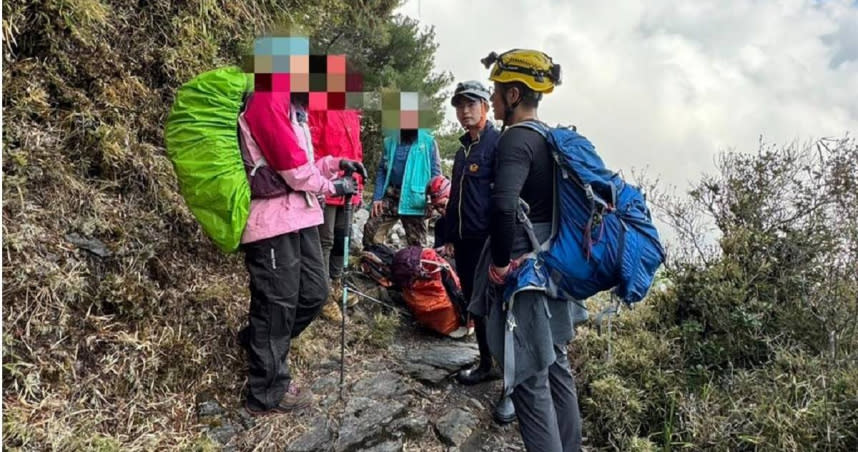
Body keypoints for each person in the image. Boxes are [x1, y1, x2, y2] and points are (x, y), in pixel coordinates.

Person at [237, 70, 367, 415]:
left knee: (313, 292)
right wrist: (332, 187)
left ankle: (259, 343)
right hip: (271, 219)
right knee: (277, 302)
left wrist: (336, 164)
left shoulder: (295, 107)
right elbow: (291, 168)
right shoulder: (268, 99)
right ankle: (266, 393)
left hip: (302, 214)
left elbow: (306, 163)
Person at [471, 49, 582, 451]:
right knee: (556, 368)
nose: (493, 97)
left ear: (514, 94)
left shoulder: (515, 140)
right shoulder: (547, 137)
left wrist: (499, 265)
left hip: (523, 273)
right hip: (552, 263)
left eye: (497, 91)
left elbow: (503, 206)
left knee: (528, 378)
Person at [438, 81, 514, 423]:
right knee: (475, 305)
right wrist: (449, 236)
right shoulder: (463, 149)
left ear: (486, 106)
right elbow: (456, 199)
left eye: (471, 104)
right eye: (459, 105)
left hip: (490, 243)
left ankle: (511, 387)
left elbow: (505, 201)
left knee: (501, 311)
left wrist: (504, 249)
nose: (464, 110)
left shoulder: (498, 145)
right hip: (465, 243)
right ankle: (486, 364)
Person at [310, 108, 364, 323]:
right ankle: (323, 296)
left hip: (350, 187)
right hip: (328, 185)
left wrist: (358, 187)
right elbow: (312, 148)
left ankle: (336, 283)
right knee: (326, 239)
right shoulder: (317, 108)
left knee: (343, 237)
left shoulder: (351, 112)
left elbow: (356, 151)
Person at [363, 127, 442, 248]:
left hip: (416, 200)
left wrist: (433, 202)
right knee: (371, 232)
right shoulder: (390, 141)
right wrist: (377, 198)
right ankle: (377, 263)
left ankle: (412, 266)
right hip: (391, 195)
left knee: (418, 247)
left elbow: (436, 176)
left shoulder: (428, 142)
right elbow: (382, 171)